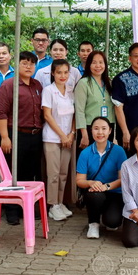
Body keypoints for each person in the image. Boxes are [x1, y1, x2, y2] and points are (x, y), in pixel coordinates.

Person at [0, 51, 44, 225]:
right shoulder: (9, 85)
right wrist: (4, 137)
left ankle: (25, 207)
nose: (29, 66)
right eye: (25, 63)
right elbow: (0, 112)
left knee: (30, 174)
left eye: (32, 63)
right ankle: (11, 210)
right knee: (13, 173)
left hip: (35, 136)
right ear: (17, 64)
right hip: (16, 135)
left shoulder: (37, 85)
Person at [76, 117, 127, 239]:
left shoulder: (119, 151)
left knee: (113, 222)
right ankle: (93, 224)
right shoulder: (85, 153)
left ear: (110, 131)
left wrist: (106, 186)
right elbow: (79, 181)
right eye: (96, 129)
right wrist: (90, 182)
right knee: (94, 195)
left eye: (104, 129)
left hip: (114, 193)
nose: (100, 133)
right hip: (95, 193)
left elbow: (123, 179)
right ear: (91, 131)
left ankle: (107, 215)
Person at [42, 59, 77, 222]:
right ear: (53, 74)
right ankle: (52, 204)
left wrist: (71, 133)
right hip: (52, 138)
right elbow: (47, 115)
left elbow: (75, 115)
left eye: (65, 72)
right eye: (59, 72)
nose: (63, 76)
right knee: (53, 174)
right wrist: (62, 135)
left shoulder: (71, 91)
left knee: (64, 173)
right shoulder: (48, 91)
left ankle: (61, 201)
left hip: (68, 138)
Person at [112, 43, 138, 148]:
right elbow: (118, 107)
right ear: (130, 58)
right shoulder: (120, 79)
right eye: (136, 56)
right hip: (129, 134)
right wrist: (125, 132)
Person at [74, 50, 114, 149]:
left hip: (107, 128)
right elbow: (79, 110)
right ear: (89, 65)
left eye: (101, 62)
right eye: (94, 62)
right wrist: (84, 134)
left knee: (106, 161)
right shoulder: (83, 83)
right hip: (90, 129)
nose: (98, 66)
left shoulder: (109, 83)